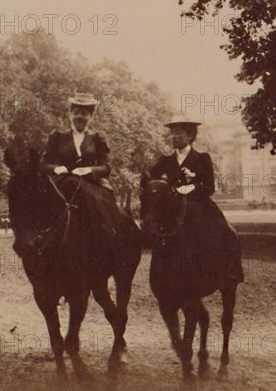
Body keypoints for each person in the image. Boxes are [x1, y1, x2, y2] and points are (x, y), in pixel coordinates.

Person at [147, 116, 243, 280]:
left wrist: (192, 185)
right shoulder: (166, 160)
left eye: (178, 133)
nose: (174, 137)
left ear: (190, 136)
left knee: (225, 230)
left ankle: (231, 270)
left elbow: (210, 187)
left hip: (198, 204)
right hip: (173, 206)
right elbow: (151, 177)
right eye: (172, 133)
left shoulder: (202, 158)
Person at [38, 92, 124, 242]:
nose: (80, 117)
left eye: (84, 114)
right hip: (62, 183)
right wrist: (56, 169)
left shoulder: (98, 138)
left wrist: (89, 170)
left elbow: (106, 167)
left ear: (91, 117)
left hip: (92, 185)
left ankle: (108, 241)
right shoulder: (57, 136)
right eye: (76, 113)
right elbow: (43, 164)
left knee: (106, 208)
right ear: (70, 114)